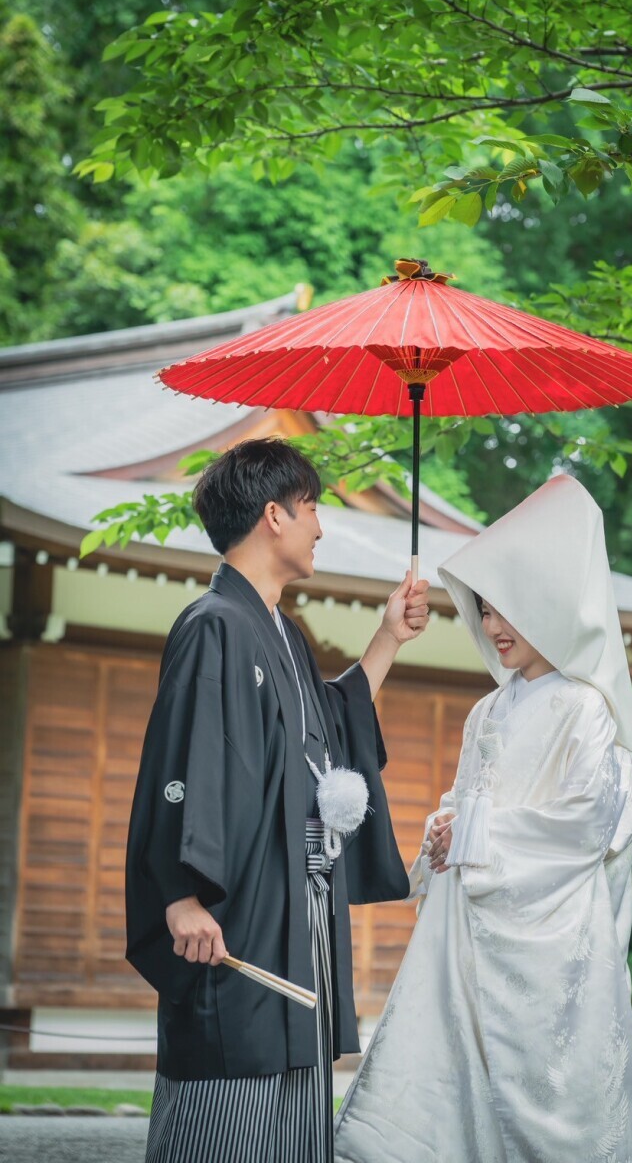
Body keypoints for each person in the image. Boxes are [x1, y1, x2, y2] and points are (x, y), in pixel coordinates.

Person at [335, 474, 632, 1163]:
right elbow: (467, 795)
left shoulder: (584, 709)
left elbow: (587, 821)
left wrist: (479, 832)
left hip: (546, 935)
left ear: (546, 604)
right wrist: (445, 828)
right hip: (468, 926)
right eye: (482, 611)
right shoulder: (487, 710)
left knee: (552, 1098)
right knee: (445, 1079)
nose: (490, 627)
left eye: (504, 610)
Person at [126, 437, 430, 1163]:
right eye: (313, 507)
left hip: (298, 913)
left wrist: (387, 638)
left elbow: (326, 723)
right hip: (239, 912)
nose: (321, 525)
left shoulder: (281, 636)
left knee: (294, 1110)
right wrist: (179, 896)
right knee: (229, 1097)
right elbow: (180, 763)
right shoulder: (212, 626)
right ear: (274, 515)